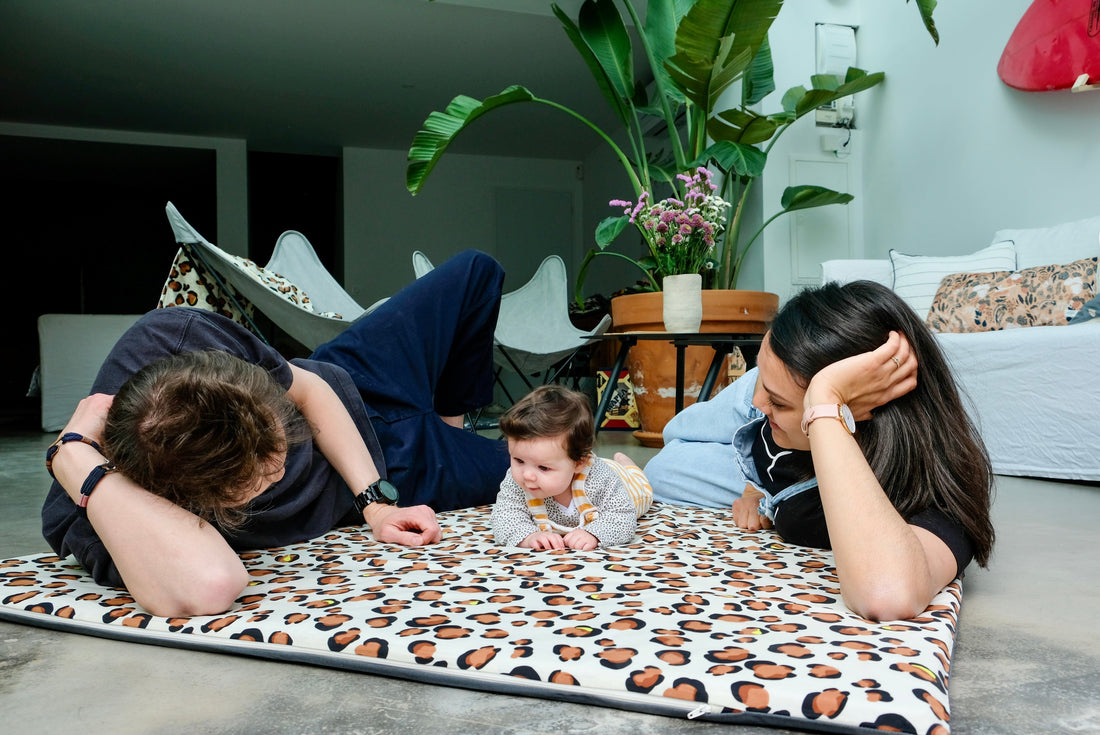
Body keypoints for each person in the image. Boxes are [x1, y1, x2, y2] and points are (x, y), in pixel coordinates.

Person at [41, 250, 511, 617]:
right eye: (258, 475)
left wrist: (376, 503)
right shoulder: (98, 514)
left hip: (354, 377)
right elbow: (211, 584)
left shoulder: (173, 336)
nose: (281, 460)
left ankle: (451, 427)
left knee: (476, 271)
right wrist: (71, 455)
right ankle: (453, 449)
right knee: (541, 466)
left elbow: (306, 389)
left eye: (277, 429)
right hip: (404, 467)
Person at [643, 279, 995, 621]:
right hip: (779, 403)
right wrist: (753, 487)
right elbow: (667, 463)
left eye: (779, 402)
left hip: (793, 425)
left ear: (860, 406)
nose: (758, 403)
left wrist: (826, 400)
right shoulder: (762, 398)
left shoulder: (938, 495)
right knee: (666, 453)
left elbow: (886, 595)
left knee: (659, 472)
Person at [491, 384, 652, 550]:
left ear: (579, 463)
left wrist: (594, 534)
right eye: (519, 460)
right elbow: (504, 515)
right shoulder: (517, 480)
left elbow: (623, 517)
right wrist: (529, 536)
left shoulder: (600, 479)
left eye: (543, 468)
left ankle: (628, 466)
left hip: (624, 482)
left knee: (643, 489)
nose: (527, 475)